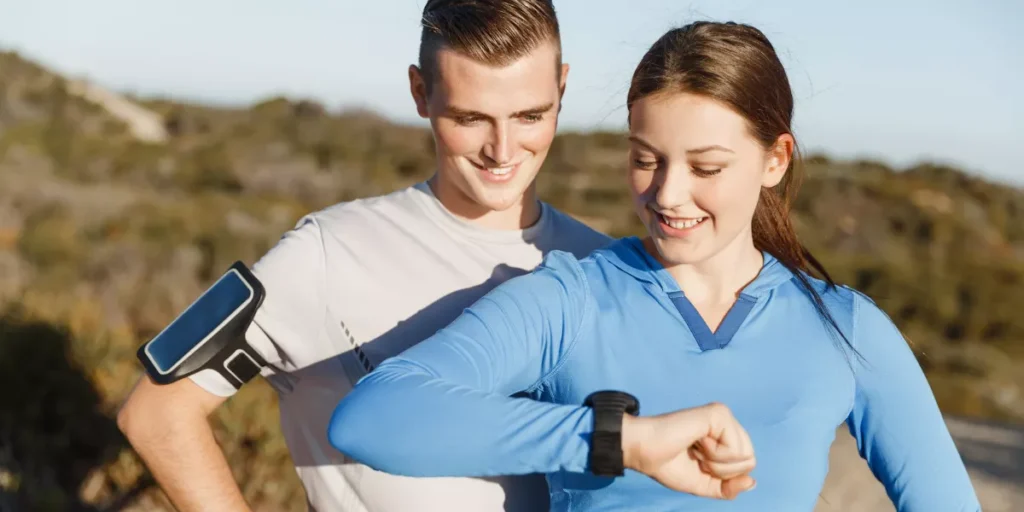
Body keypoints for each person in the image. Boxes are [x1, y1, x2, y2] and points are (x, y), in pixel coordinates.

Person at [327, 20, 983, 511]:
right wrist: (622, 441)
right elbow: (373, 419)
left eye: (706, 168)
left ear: (775, 160)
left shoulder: (846, 329)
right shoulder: (571, 299)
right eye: (646, 159)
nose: (667, 194)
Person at [115, 1, 614, 511]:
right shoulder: (325, 254)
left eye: (530, 115)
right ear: (420, 92)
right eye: (470, 118)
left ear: (562, 88)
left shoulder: (606, 266)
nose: (502, 150)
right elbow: (156, 414)